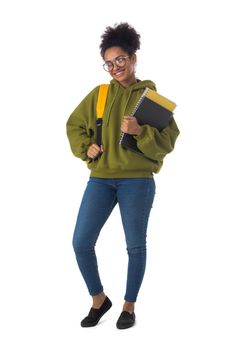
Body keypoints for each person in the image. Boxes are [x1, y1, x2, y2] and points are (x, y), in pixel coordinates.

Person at [66, 22, 179, 329]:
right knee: (81, 242)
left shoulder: (153, 101)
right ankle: (99, 301)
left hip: (138, 181)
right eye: (109, 62)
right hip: (101, 179)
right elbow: (74, 124)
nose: (114, 67)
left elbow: (166, 144)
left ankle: (128, 307)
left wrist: (140, 131)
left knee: (135, 246)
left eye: (120, 60)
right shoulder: (100, 95)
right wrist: (84, 148)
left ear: (133, 58)